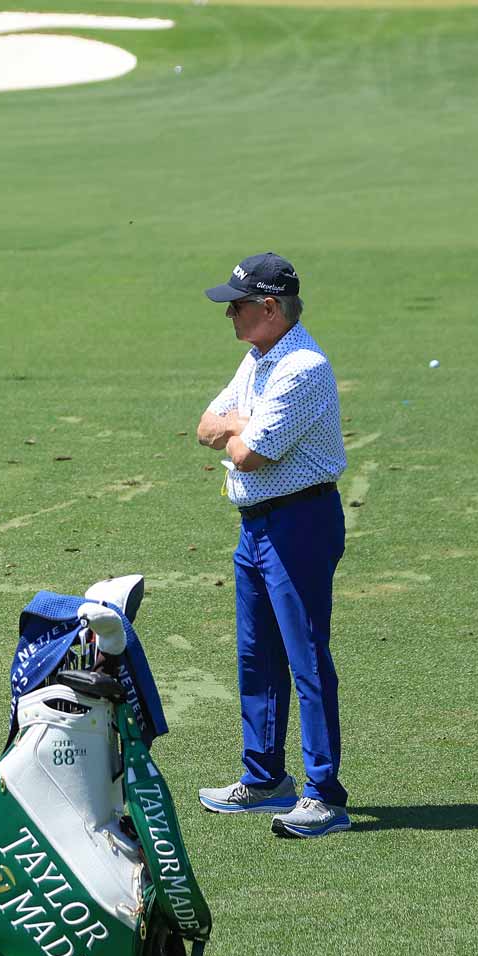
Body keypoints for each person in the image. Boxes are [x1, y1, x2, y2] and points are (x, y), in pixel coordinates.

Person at [192, 252, 351, 839]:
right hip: (255, 525)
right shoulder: (259, 359)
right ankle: (263, 780)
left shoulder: (302, 367)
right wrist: (240, 423)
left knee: (306, 660)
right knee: (256, 656)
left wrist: (239, 427)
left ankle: (325, 797)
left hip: (300, 523)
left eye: (236, 305)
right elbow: (207, 426)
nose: (228, 314)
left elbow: (249, 453)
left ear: (269, 307)